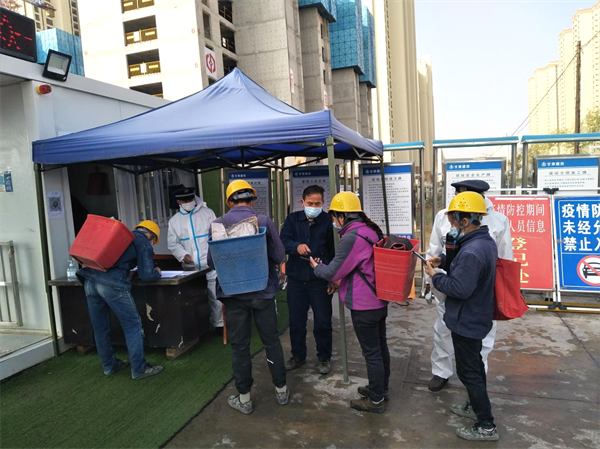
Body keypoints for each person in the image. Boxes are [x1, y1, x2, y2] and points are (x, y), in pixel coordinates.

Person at [425, 180, 513, 392]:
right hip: (449, 286)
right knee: (443, 330)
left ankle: (476, 380)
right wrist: (432, 282)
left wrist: (499, 293)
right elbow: (434, 249)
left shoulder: (498, 220)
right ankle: (441, 371)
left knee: (481, 339)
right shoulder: (444, 216)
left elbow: (504, 260)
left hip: (479, 293)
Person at [209, 180, 288, 415]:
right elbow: (279, 256)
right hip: (262, 292)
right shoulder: (263, 221)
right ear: (252, 200)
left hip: (233, 295)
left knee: (240, 347)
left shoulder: (217, 224)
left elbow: (211, 262)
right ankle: (281, 390)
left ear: (229, 201)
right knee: (271, 341)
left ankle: (244, 399)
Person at [425, 191, 499, 442]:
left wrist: (436, 276)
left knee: (469, 372)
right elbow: (467, 269)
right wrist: (444, 260)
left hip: (467, 319)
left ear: (465, 220)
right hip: (477, 315)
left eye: (454, 222)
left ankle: (486, 426)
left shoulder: (471, 251)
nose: (452, 228)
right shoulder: (484, 242)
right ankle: (474, 406)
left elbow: (460, 288)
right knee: (475, 366)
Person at [309, 192, 389, 414]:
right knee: (380, 348)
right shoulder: (370, 231)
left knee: (372, 353)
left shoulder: (351, 237)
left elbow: (333, 271)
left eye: (334, 217)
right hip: (379, 300)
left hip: (364, 305)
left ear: (342, 216)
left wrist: (317, 267)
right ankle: (380, 389)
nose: (334, 222)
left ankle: (376, 401)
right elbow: (355, 267)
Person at [77, 220, 163, 380]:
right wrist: (157, 271)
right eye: (153, 241)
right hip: (111, 285)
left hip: (89, 281)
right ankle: (139, 369)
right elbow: (147, 275)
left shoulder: (121, 237)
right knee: (132, 325)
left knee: (100, 327)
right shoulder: (143, 240)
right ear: (150, 235)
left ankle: (109, 366)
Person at [280, 185, 335, 375]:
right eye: (310, 203)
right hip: (296, 279)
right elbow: (283, 242)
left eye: (317, 204)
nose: (314, 207)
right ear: (302, 202)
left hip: (319, 280)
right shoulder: (292, 219)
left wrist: (330, 275)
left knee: (323, 321)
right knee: (296, 321)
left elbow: (334, 252)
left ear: (323, 203)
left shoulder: (328, 221)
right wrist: (296, 247)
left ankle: (324, 357)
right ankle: (298, 356)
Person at [167, 186, 223, 333]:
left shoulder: (207, 213)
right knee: (192, 297)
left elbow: (217, 234)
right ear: (178, 202)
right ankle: (197, 328)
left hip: (210, 263)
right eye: (184, 200)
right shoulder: (174, 221)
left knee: (215, 295)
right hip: (190, 267)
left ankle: (219, 324)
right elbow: (173, 244)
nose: (188, 202)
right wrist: (182, 255)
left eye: (190, 199)